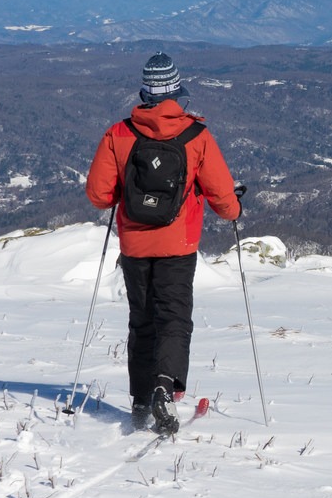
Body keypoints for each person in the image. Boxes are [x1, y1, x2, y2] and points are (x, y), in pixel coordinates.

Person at [86, 52, 241, 433]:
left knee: (142, 321)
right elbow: (222, 198)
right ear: (176, 91)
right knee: (173, 318)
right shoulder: (196, 136)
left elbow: (98, 195)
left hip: (135, 246)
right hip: (179, 245)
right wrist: (235, 209)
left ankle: (140, 399)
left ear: (144, 91)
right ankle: (164, 385)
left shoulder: (118, 134)